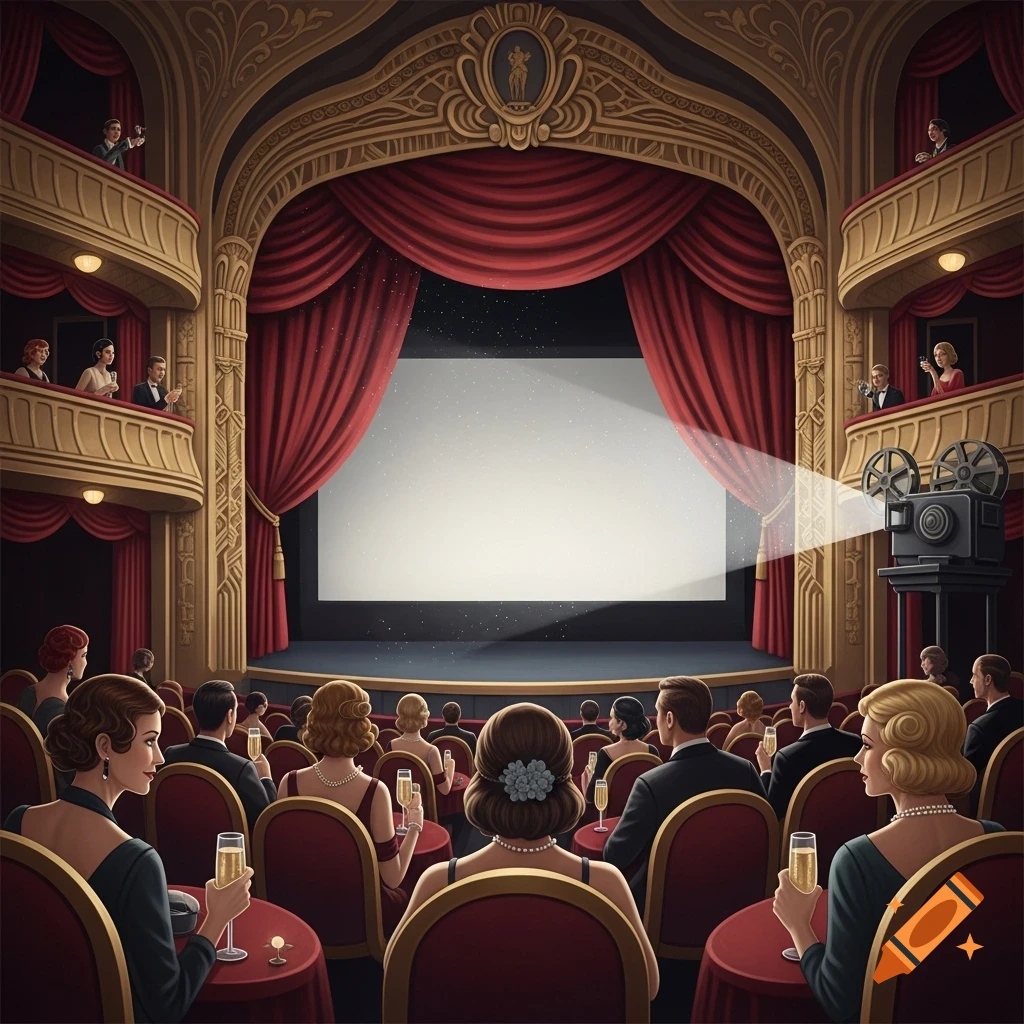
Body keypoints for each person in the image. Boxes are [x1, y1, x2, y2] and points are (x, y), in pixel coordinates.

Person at [2, 676, 252, 1023]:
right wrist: (217, 919)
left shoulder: (16, 822)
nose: (160, 757)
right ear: (105, 746)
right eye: (150, 741)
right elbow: (166, 1007)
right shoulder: (138, 862)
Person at [395, 702, 660, 1001]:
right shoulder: (605, 883)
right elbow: (647, 988)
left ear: (483, 781)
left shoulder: (438, 882)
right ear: (563, 782)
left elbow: (396, 975)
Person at [773, 680, 1003, 1023]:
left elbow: (841, 1002)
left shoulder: (856, 860)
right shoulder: (994, 838)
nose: (857, 757)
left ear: (901, 758)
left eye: (867, 745)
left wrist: (798, 926)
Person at [604, 676, 766, 912]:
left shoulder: (650, 785)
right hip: (738, 903)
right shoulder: (746, 771)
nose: (656, 719)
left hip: (668, 912)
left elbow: (615, 856)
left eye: (658, 712)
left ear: (670, 719)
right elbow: (764, 836)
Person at [279, 680, 422, 935]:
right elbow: (393, 878)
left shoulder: (287, 783)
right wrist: (414, 826)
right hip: (358, 921)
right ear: (361, 725)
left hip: (300, 912)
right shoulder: (375, 792)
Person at [161, 679, 276, 830]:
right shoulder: (242, 769)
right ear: (230, 715)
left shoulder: (170, 754)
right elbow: (266, 822)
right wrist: (266, 778)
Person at [756, 674, 862, 820]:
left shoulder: (786, 758)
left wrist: (766, 770)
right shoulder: (855, 742)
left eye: (792, 701)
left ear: (802, 706)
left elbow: (772, 815)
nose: (790, 706)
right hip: (852, 825)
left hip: (804, 835)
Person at [963, 654, 1023, 815]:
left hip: (994, 816)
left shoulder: (979, 728)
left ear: (988, 679)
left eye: (975, 675)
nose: (971, 681)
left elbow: (965, 783)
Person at [17, 624, 89, 738]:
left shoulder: (28, 692)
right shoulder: (63, 710)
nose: (86, 662)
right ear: (69, 660)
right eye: (83, 656)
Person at [581, 696, 658, 801]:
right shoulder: (652, 752)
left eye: (612, 718)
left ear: (623, 724)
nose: (609, 722)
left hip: (613, 811)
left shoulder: (605, 753)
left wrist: (585, 778)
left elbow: (591, 798)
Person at [388, 693, 456, 797]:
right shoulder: (431, 751)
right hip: (423, 805)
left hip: (395, 803)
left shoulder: (391, 745)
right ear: (424, 717)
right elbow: (444, 789)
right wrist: (451, 768)